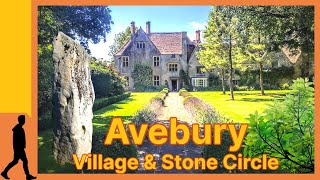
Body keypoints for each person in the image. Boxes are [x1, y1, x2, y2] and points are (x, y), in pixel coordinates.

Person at [1, 115, 36, 180]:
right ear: (21, 120)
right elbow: (18, 140)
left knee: (15, 161)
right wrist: (20, 148)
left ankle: (4, 172)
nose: (24, 121)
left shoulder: (18, 128)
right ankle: (27, 176)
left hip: (18, 148)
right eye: (24, 119)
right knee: (24, 161)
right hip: (19, 149)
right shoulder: (19, 129)